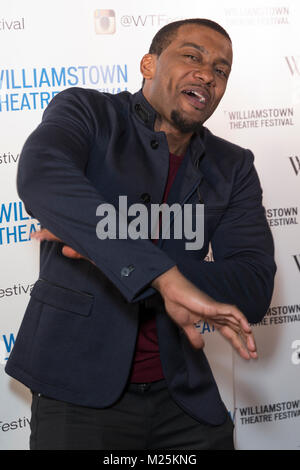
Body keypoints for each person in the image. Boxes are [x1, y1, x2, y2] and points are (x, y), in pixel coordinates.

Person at [5, 18, 276, 450]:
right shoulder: (87, 112)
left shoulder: (233, 165)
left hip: (184, 399)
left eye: (221, 70)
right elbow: (42, 178)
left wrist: (106, 250)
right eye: (192, 56)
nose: (207, 73)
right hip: (77, 395)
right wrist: (163, 277)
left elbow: (252, 286)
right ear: (149, 64)